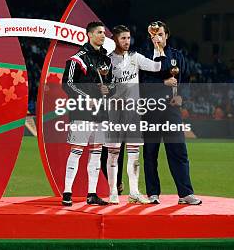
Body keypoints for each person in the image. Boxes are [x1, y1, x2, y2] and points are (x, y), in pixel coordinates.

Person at [139, 21, 202, 205]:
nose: (157, 37)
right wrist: (162, 84)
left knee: (179, 151)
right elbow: (139, 85)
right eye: (154, 34)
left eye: (160, 34)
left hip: (172, 110)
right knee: (150, 153)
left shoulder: (177, 56)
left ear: (167, 36)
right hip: (150, 109)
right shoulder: (143, 57)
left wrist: (182, 97)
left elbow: (186, 81)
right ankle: (153, 193)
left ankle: (185, 194)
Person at [102, 25, 165, 205]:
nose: (127, 42)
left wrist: (157, 45)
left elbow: (156, 66)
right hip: (114, 112)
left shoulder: (135, 58)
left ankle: (135, 192)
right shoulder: (107, 61)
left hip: (133, 112)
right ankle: (113, 192)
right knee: (113, 154)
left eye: (129, 38)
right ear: (114, 39)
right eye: (123, 38)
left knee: (134, 154)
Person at [61, 21, 113, 206]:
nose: (103, 36)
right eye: (99, 32)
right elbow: (67, 84)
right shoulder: (77, 58)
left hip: (101, 112)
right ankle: (67, 192)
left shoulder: (106, 60)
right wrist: (86, 97)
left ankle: (92, 193)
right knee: (76, 151)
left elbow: (111, 83)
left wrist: (108, 89)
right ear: (89, 35)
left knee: (97, 152)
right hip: (82, 111)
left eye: (103, 33)